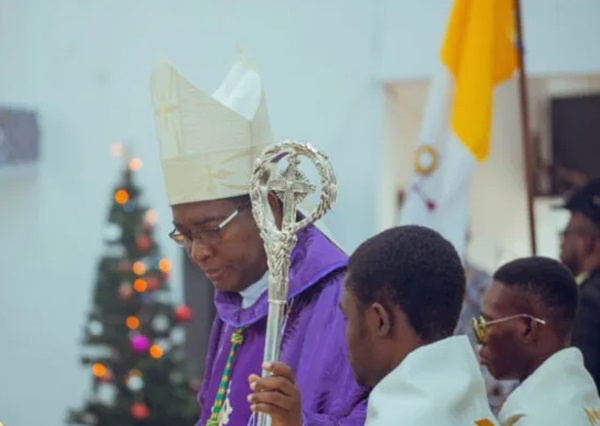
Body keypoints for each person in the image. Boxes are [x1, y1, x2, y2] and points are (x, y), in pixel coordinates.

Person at [150, 52, 368, 426]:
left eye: (211, 229)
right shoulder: (238, 296)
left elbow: (379, 416)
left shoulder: (341, 299)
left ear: (267, 205)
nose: (198, 252)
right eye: (184, 235)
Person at [336, 225, 498, 425]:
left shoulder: (401, 419)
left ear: (380, 321)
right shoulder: (474, 407)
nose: (345, 335)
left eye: (347, 318)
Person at [476, 256, 600, 425]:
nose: (479, 340)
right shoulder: (581, 393)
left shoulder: (539, 418)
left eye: (485, 324)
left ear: (528, 329)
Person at [560, 178, 600, 391]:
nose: (561, 243)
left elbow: (582, 389)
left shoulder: (587, 302)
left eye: (566, 234)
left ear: (588, 243)